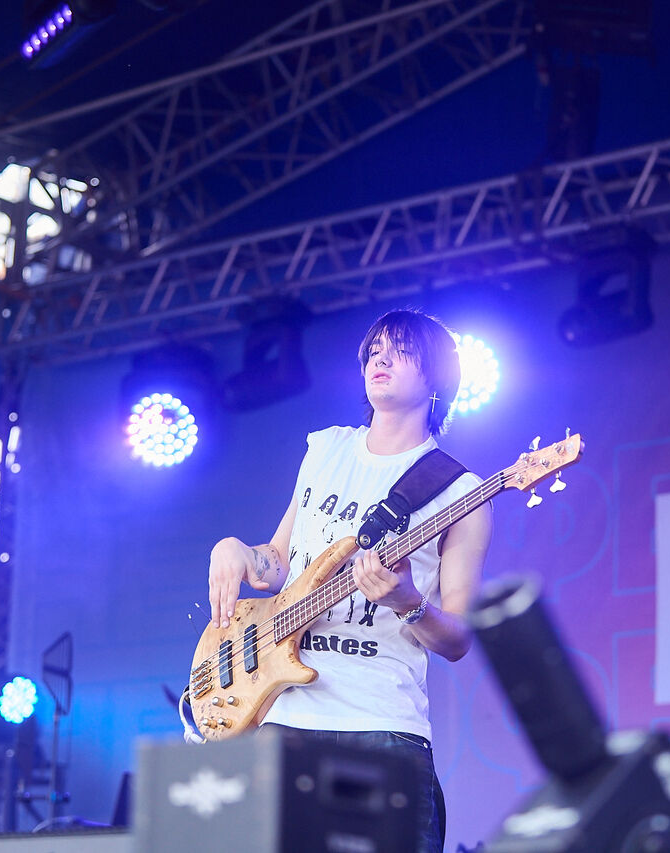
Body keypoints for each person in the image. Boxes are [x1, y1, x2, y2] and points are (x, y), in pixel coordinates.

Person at [207, 308, 493, 853]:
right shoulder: (326, 449)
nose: (381, 359)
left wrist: (407, 602)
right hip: (284, 713)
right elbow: (279, 562)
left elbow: (458, 637)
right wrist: (235, 550)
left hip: (379, 723)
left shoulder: (462, 493)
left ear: (438, 377)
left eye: (402, 350)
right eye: (375, 350)